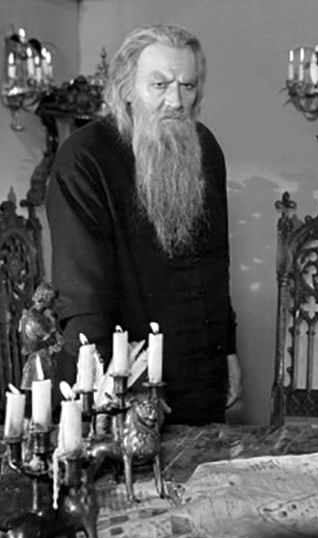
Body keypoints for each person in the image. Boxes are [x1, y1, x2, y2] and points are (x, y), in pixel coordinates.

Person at [46, 24, 241, 425]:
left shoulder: (205, 148)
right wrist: (123, 389)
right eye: (160, 84)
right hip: (120, 384)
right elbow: (82, 293)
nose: (176, 101)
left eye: (187, 86)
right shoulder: (83, 157)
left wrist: (228, 352)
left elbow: (214, 262)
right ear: (127, 88)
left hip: (200, 376)